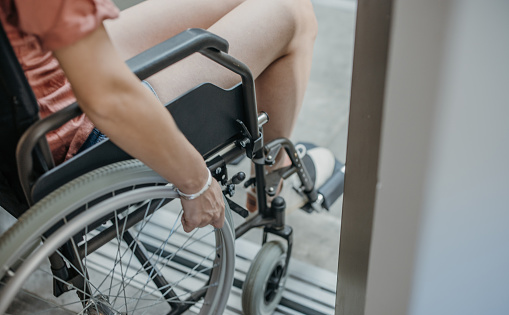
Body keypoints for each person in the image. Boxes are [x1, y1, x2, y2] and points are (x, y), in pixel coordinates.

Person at [0, 0, 318, 232]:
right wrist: (196, 180)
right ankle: (273, 174)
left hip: (35, 79)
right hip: (78, 136)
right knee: (293, 11)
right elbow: (108, 97)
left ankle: (274, 167)